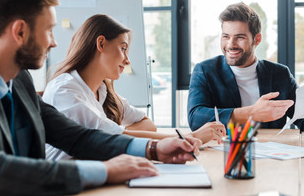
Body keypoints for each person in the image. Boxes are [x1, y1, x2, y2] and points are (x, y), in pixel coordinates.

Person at [0, 0, 202, 196]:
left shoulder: (20, 80)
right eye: (48, 30)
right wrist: (105, 170)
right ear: (20, 31)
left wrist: (153, 150)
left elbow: (76, 136)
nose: (54, 42)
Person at [42, 14, 226, 160]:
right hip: (66, 181)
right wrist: (190, 138)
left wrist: (123, 132)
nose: (127, 60)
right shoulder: (65, 90)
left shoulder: (103, 91)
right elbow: (115, 140)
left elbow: (149, 125)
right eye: (123, 49)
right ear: (101, 43)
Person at [188, 2, 304, 132]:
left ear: (257, 39)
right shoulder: (205, 71)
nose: (230, 44)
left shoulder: (280, 74)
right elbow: (195, 119)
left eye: (240, 37)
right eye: (226, 36)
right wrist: (251, 113)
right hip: (226, 153)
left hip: (273, 156)